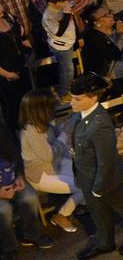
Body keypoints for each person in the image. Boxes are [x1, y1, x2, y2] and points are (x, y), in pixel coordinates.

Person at [69, 73, 123, 259]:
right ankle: (105, 242)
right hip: (87, 176)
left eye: (77, 99)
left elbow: (105, 160)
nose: (71, 103)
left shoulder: (100, 123)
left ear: (93, 98)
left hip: (105, 179)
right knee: (98, 212)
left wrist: (98, 187)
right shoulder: (80, 116)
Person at [17, 89, 80, 233]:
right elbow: (49, 155)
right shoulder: (30, 130)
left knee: (90, 177)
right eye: (50, 107)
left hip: (56, 165)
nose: (54, 109)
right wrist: (64, 136)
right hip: (42, 175)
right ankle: (62, 215)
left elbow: (57, 137)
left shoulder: (44, 124)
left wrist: (67, 126)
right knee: (84, 187)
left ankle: (81, 205)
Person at [0, 159, 49, 260]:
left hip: (11, 179)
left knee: (29, 197)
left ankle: (31, 233)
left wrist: (18, 175)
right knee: (3, 210)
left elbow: (16, 155)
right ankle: (8, 249)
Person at [40, 0, 77, 100]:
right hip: (61, 46)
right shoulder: (49, 16)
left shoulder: (63, 6)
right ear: (51, 2)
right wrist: (67, 14)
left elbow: (71, 20)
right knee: (67, 70)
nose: (66, 2)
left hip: (69, 41)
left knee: (67, 68)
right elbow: (59, 32)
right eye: (62, 1)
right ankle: (64, 93)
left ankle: (67, 88)